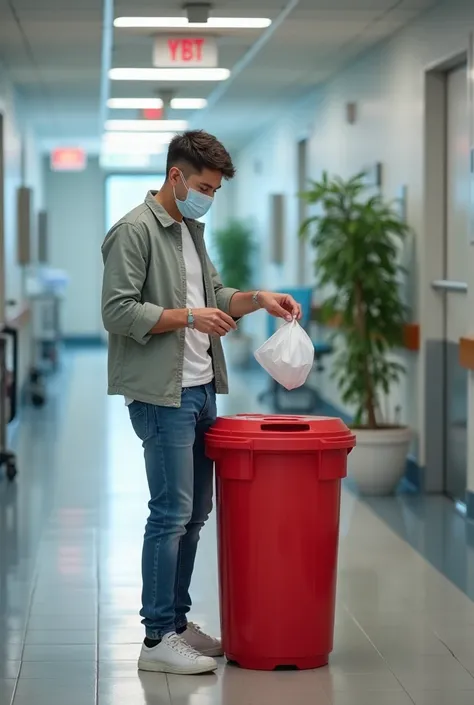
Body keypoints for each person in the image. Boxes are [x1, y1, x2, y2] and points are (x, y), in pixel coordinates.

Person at [101, 130, 302, 675]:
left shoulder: (191, 230)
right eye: (205, 186)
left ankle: (178, 621)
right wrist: (188, 318)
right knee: (169, 514)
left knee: (195, 514)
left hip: (199, 388)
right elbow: (118, 312)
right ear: (176, 177)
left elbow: (213, 297)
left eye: (214, 189)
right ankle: (155, 637)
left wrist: (257, 299)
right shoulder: (133, 232)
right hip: (161, 394)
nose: (208, 196)